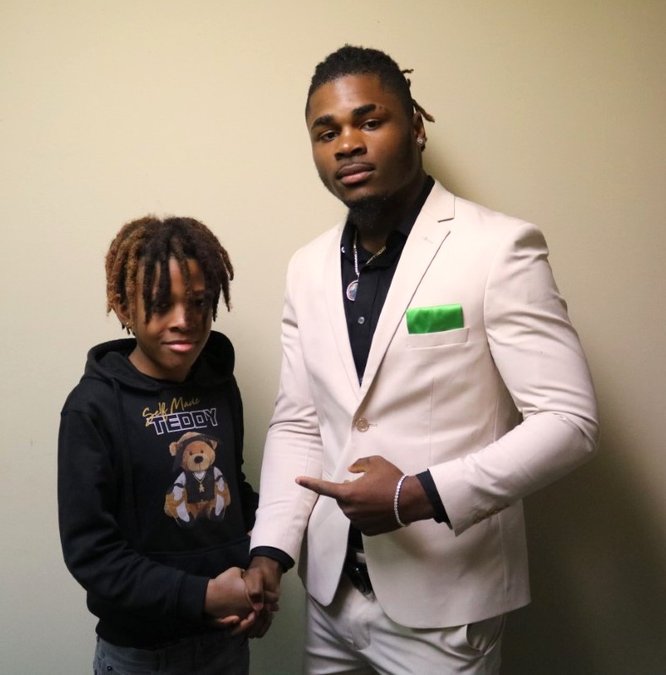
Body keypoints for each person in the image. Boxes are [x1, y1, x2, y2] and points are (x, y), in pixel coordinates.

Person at [245, 45, 599, 674]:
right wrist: (270, 550)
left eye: (369, 121)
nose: (347, 144)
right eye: (327, 132)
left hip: (447, 607)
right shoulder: (306, 267)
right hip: (330, 597)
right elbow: (300, 422)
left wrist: (417, 495)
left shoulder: (499, 248)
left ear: (415, 126)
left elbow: (569, 423)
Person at [58, 216, 262, 674]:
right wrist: (204, 595)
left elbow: (234, 491)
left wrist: (261, 568)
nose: (183, 321)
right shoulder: (92, 408)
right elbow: (91, 553)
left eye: (198, 302)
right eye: (160, 304)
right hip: (140, 654)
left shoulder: (220, 386)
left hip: (227, 642)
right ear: (123, 306)